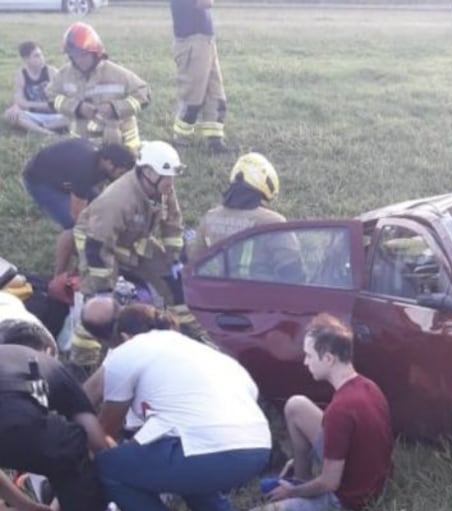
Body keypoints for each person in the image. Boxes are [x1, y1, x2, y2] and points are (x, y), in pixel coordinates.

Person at [93, 303, 271, 511]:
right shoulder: (206, 352)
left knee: (108, 465)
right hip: (257, 447)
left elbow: (104, 432)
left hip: (207, 451)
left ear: (123, 336)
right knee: (182, 458)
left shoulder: (127, 352)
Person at [247, 313, 393, 511]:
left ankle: (296, 486)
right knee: (296, 405)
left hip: (348, 501)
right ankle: (301, 476)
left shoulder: (340, 409)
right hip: (371, 480)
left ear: (328, 359)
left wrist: (294, 492)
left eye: (309, 355)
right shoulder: (369, 387)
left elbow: (330, 483)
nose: (305, 362)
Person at [69, 140, 194, 372]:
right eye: (166, 176)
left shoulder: (162, 187)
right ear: (147, 172)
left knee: (173, 282)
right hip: (96, 241)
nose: (171, 182)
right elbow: (98, 245)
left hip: (130, 240)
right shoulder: (117, 199)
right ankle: (81, 360)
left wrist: (174, 258)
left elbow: (172, 223)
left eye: (172, 177)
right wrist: (102, 286)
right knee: (98, 305)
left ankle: (186, 333)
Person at [0, 320, 110, 511]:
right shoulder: (48, 364)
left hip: (17, 422)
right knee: (75, 454)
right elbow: (93, 435)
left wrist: (27, 507)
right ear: (48, 349)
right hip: (22, 423)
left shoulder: (9, 357)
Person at [22, 139, 135, 275]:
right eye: (120, 173)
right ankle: (59, 274)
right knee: (73, 227)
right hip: (40, 180)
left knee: (99, 208)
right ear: (110, 164)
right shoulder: (84, 169)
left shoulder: (102, 162)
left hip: (65, 177)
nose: (120, 178)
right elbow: (78, 217)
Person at [186, 152, 304, 282]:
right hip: (264, 299)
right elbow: (294, 273)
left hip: (221, 297)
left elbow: (193, 259)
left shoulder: (210, 218)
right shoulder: (274, 223)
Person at [46, 22, 150, 153]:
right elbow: (50, 96)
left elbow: (144, 95)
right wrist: (77, 107)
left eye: (83, 54)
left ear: (96, 52)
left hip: (122, 145)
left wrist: (115, 108)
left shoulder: (117, 74)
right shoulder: (65, 74)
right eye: (74, 55)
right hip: (82, 144)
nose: (79, 60)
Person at [169, 0, 231, 154]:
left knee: (215, 94)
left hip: (204, 41)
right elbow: (205, 2)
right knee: (192, 97)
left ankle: (214, 141)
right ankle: (180, 142)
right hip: (192, 42)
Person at [4, 41, 67, 136]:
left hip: (56, 115)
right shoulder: (21, 75)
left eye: (41, 55)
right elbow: (19, 99)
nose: (42, 58)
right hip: (34, 115)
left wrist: (28, 105)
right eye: (36, 56)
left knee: (75, 115)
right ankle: (47, 132)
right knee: (9, 115)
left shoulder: (51, 72)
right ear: (26, 59)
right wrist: (18, 106)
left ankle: (42, 128)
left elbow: (61, 100)